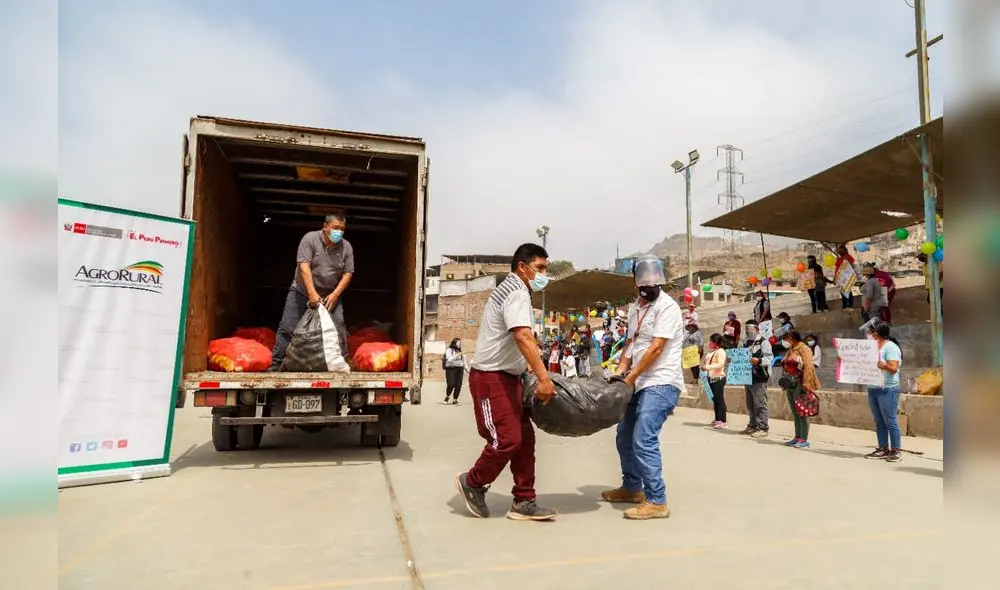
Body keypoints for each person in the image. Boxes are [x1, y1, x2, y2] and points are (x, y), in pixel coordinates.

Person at [455, 243, 557, 522]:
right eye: (540, 268)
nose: (544, 274)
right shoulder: (516, 292)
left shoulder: (514, 290)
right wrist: (544, 378)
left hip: (509, 378)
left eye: (546, 268)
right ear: (522, 268)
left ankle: (524, 501)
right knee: (508, 439)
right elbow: (523, 337)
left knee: (524, 440)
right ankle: (473, 482)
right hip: (491, 378)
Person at [601, 255, 684, 520]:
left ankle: (657, 500)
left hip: (661, 381)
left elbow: (656, 348)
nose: (649, 291)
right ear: (635, 283)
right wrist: (621, 370)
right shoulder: (635, 308)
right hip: (638, 382)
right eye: (643, 286)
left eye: (654, 286)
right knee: (624, 435)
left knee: (643, 437)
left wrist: (631, 376)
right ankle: (632, 487)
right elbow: (631, 343)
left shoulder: (668, 308)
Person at [270, 211, 354, 370]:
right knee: (288, 327)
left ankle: (341, 367)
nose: (339, 232)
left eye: (342, 229)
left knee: (339, 329)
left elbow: (348, 273)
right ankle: (276, 366)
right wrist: (312, 294)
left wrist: (335, 294)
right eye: (336, 227)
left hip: (330, 296)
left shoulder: (346, 247)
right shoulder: (310, 239)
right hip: (301, 293)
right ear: (325, 227)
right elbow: (304, 266)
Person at [864, 321, 904, 462]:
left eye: (870, 332)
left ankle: (896, 450)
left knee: (890, 420)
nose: (868, 335)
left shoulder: (890, 347)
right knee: (879, 421)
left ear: (877, 334)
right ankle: (883, 448)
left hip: (888, 388)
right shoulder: (871, 347)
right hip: (873, 387)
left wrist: (885, 365)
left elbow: (893, 368)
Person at [778, 331, 821, 449]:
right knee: (795, 412)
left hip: (800, 383)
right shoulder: (791, 349)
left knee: (802, 411)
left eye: (787, 339)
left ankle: (804, 439)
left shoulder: (804, 348)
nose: (786, 342)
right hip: (790, 383)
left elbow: (808, 366)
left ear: (792, 338)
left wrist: (807, 383)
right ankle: (797, 436)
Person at [740, 319, 773, 438]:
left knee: (760, 403)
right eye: (746, 329)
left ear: (757, 329)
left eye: (750, 329)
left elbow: (769, 358)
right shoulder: (745, 342)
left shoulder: (763, 342)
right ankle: (752, 425)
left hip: (759, 376)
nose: (748, 331)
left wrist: (758, 361)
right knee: (750, 403)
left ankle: (763, 427)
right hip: (747, 376)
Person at [702, 333, 729, 428]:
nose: (709, 343)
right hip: (710, 378)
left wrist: (707, 367)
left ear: (715, 342)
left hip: (718, 378)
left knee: (719, 400)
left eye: (711, 341)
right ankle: (717, 419)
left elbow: (720, 364)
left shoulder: (721, 351)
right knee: (715, 400)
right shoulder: (712, 352)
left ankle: (723, 420)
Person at [444, 338, 468, 404]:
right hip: (451, 369)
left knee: (458, 385)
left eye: (460, 342)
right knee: (451, 384)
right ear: (454, 343)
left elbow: (464, 361)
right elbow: (449, 359)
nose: (459, 344)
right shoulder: (449, 350)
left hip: (460, 369)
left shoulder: (460, 351)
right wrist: (457, 354)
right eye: (458, 342)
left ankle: (455, 399)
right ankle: (447, 396)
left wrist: (467, 370)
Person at [834, 244, 856, 309]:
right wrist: (835, 278)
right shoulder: (839, 258)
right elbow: (837, 268)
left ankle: (850, 305)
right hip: (840, 278)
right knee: (842, 292)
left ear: (844, 250)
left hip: (847, 277)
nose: (839, 252)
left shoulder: (848, 257)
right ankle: (844, 306)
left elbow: (852, 266)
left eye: (841, 250)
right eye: (839, 251)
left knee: (848, 291)